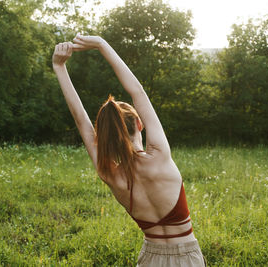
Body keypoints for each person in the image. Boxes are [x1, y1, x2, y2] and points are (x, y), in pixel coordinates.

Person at [52, 34, 205, 267]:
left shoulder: (111, 175)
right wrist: (102, 44)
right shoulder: (159, 155)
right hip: (187, 258)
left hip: (149, 259)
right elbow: (138, 92)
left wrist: (59, 66)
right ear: (140, 124)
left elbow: (82, 123)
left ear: (105, 139)